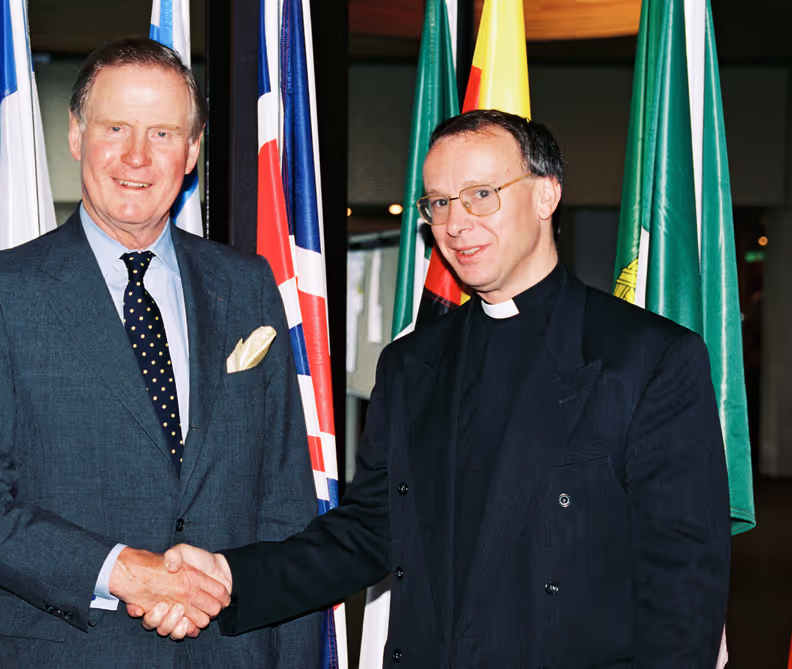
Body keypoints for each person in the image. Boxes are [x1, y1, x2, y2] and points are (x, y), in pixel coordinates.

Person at [152, 110, 732, 668]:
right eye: (439, 203)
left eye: (482, 194)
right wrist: (229, 577)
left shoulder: (648, 358)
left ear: (546, 194)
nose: (456, 224)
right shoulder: (412, 363)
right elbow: (369, 530)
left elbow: (682, 582)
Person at [0, 38, 320, 668]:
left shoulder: (247, 285)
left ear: (191, 153)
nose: (137, 156)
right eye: (115, 128)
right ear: (77, 135)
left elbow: (286, 504)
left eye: (163, 133)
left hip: (233, 655)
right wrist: (122, 571)